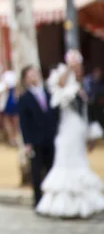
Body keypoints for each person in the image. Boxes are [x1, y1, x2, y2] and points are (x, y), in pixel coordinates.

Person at [36, 49, 104, 218]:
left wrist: (91, 135)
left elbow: (88, 112)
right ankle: (63, 206)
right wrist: (68, 69)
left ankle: (84, 204)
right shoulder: (63, 80)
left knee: (80, 161)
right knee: (65, 162)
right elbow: (58, 85)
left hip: (79, 129)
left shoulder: (82, 86)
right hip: (66, 129)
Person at [17, 65, 58, 207]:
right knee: (36, 171)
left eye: (35, 74)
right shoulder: (24, 98)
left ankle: (51, 199)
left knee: (51, 168)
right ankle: (38, 200)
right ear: (25, 79)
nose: (34, 77)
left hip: (50, 137)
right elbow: (23, 122)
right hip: (35, 139)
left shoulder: (49, 93)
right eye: (30, 75)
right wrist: (27, 142)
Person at [0, 68, 19, 146]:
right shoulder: (4, 85)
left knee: (14, 121)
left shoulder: (15, 86)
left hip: (13, 103)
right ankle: (11, 138)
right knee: (9, 121)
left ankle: (14, 137)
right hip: (7, 103)